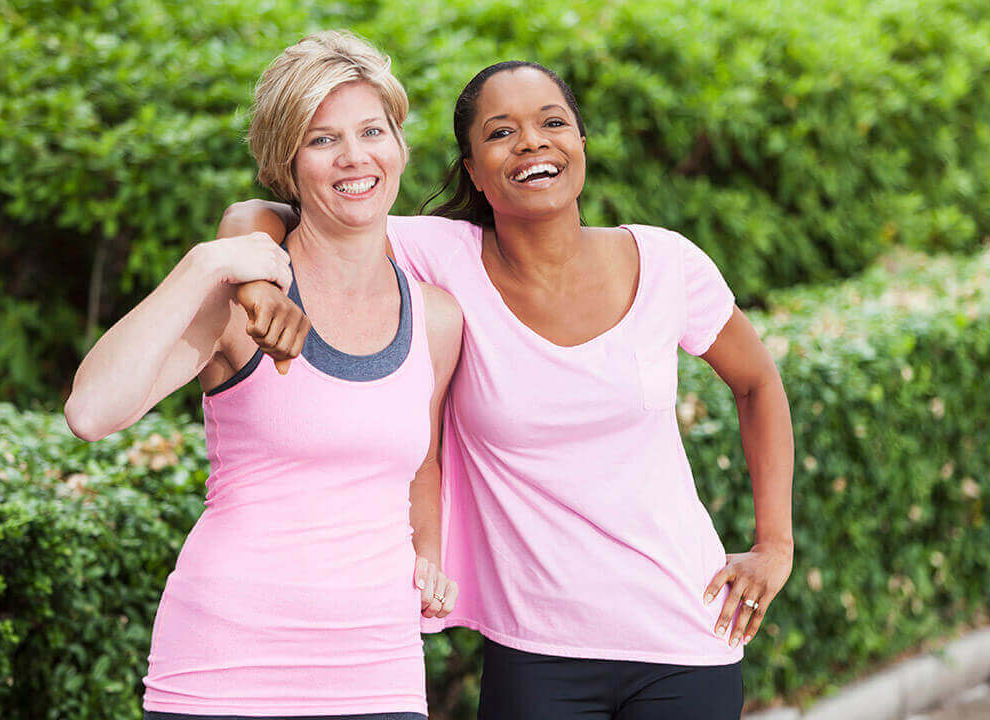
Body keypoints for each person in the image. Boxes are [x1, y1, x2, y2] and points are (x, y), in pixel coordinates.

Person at [224, 60, 794, 720]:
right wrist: (258, 286)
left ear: (581, 143)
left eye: (553, 123)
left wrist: (774, 545)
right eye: (501, 133)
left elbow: (758, 384)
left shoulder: (666, 263)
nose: (531, 143)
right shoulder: (437, 257)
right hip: (535, 652)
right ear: (472, 169)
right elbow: (256, 214)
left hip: (687, 638)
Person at [64, 31, 463, 720]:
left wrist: (427, 552)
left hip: (379, 670)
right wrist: (206, 263)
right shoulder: (242, 302)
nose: (354, 157)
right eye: (322, 139)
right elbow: (91, 412)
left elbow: (419, 461)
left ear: (400, 146)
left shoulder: (435, 317)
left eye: (373, 130)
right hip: (226, 666)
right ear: (287, 164)